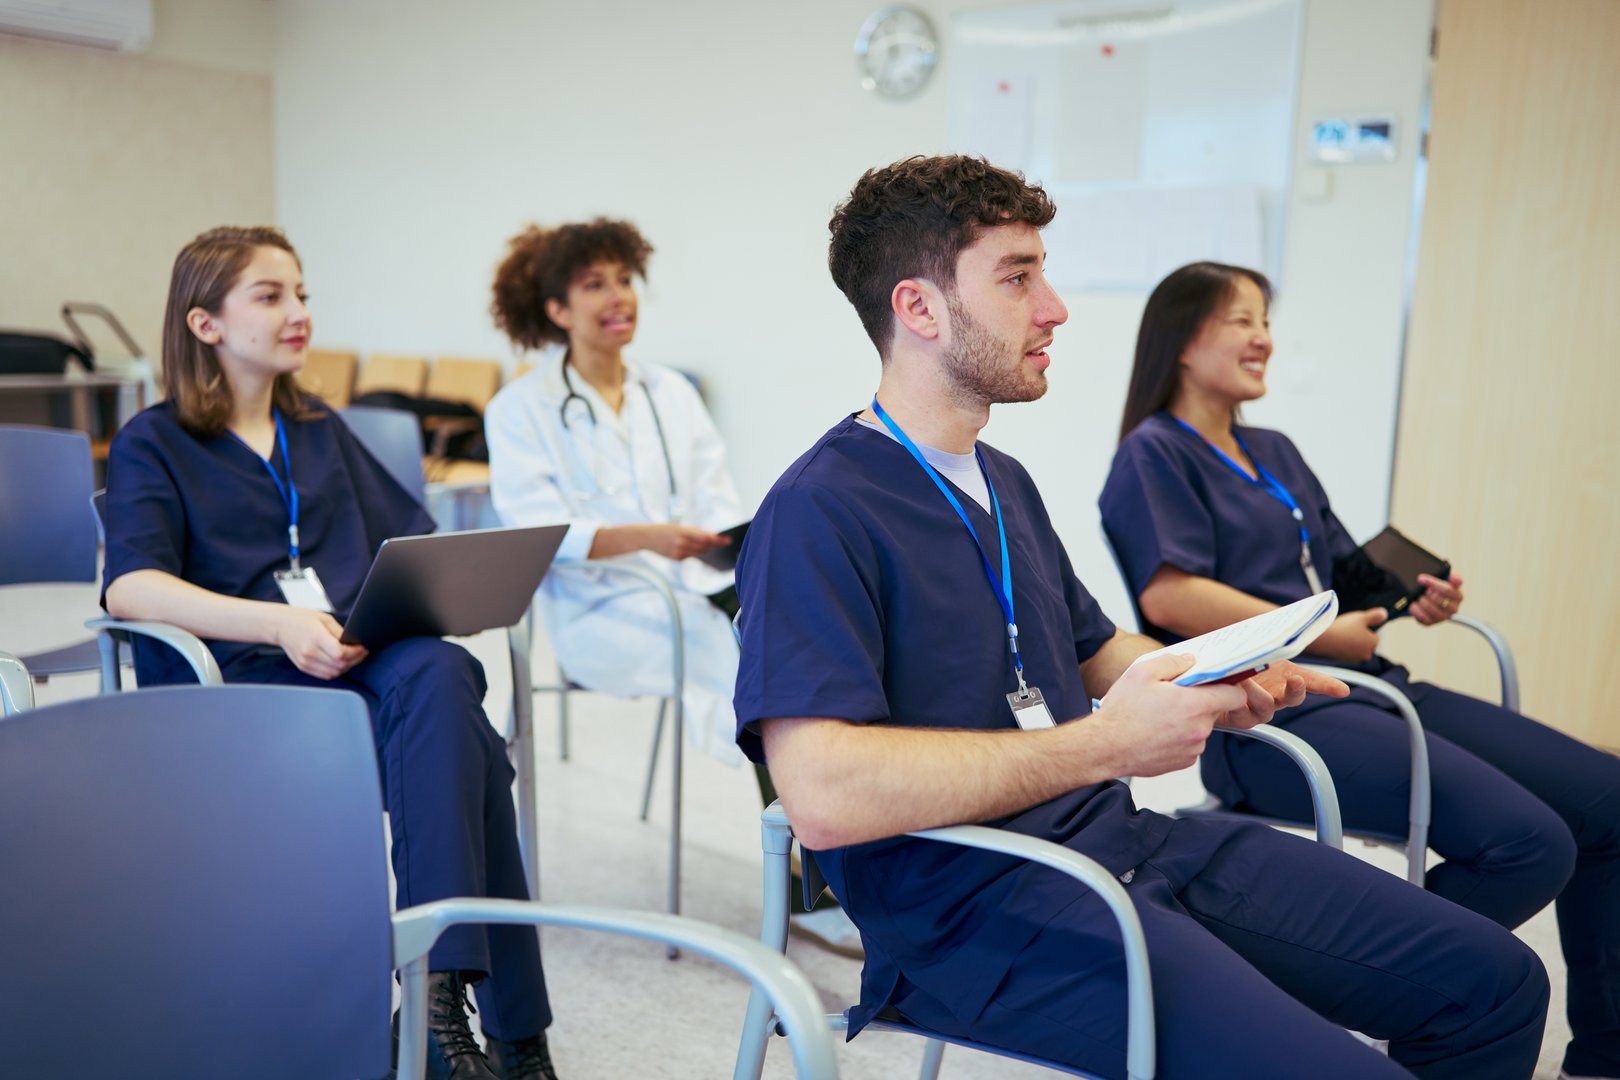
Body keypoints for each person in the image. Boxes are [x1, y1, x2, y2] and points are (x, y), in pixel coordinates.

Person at [733, 155, 1552, 1078]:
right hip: (977, 915)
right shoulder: (818, 510)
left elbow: (1098, 650)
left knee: (1499, 985)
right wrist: (1105, 747)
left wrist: (1227, 672)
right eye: (1017, 276)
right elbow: (824, 797)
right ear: (919, 309)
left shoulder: (1003, 483)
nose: (1056, 307)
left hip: (1125, 841)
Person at [1099, 260, 1620, 1080]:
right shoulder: (1152, 455)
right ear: (1183, 338)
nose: (1263, 336)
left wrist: (1410, 598)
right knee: (1530, 846)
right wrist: (1315, 635)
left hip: (1374, 685)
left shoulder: (1273, 449)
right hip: (1266, 716)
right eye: (1242, 319)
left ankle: (1605, 1057)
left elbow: (1341, 569)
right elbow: (1169, 595)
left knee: (1606, 801)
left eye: (1265, 317)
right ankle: (1358, 994)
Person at [102, 226, 558, 1080]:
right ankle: (511, 1032)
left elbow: (413, 542)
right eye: (271, 297)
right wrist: (278, 625)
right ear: (205, 324)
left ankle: (434, 1010)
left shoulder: (318, 429)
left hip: (349, 660)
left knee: (443, 669)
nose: (300, 312)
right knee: (471, 755)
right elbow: (131, 588)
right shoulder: (152, 442)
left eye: (302, 293)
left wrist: (420, 598)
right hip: (240, 677)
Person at [485, 218, 861, 957]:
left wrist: (731, 539)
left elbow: (715, 501)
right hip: (600, 616)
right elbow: (536, 535)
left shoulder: (670, 394)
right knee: (754, 661)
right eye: (595, 284)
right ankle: (815, 888)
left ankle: (836, 858)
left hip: (694, 588)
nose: (619, 296)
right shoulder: (520, 409)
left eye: (625, 279)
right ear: (557, 310)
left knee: (802, 634)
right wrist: (647, 537)